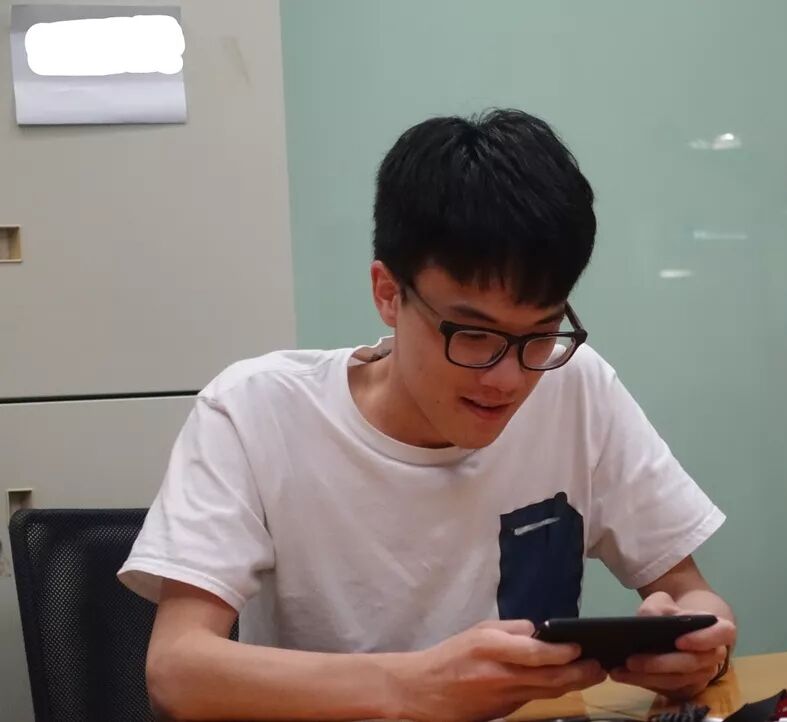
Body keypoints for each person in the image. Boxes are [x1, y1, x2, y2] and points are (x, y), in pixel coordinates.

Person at [119, 109, 735, 721]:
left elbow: (690, 593)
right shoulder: (255, 410)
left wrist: (699, 647)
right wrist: (416, 688)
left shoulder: (575, 386)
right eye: (473, 334)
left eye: (540, 334)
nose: (507, 378)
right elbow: (177, 671)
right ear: (388, 294)